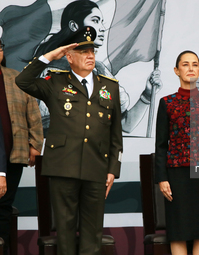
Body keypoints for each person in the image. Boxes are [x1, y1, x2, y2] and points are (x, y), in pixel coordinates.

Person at [15, 26, 123, 255]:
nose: (90, 55)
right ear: (69, 56)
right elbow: (23, 81)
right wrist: (49, 56)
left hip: (96, 168)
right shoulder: (54, 82)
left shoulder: (110, 87)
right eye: (83, 51)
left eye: (92, 50)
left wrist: (113, 168)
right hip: (63, 167)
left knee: (92, 232)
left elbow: (115, 134)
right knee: (65, 231)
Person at [34, 0, 162, 134]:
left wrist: (147, 95)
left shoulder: (100, 70)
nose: (102, 28)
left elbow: (125, 125)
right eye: (95, 21)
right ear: (74, 26)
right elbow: (45, 127)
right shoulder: (53, 70)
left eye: (102, 22)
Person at [155, 50, 199, 255]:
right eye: (185, 65)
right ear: (177, 70)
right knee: (178, 230)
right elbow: (161, 145)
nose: (190, 68)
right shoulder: (166, 102)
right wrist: (162, 178)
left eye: (194, 64)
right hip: (176, 175)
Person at [0, 40, 43, 255]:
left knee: (4, 205)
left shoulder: (15, 78)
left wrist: (35, 145)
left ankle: (3, 247)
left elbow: (33, 113)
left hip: (14, 153)